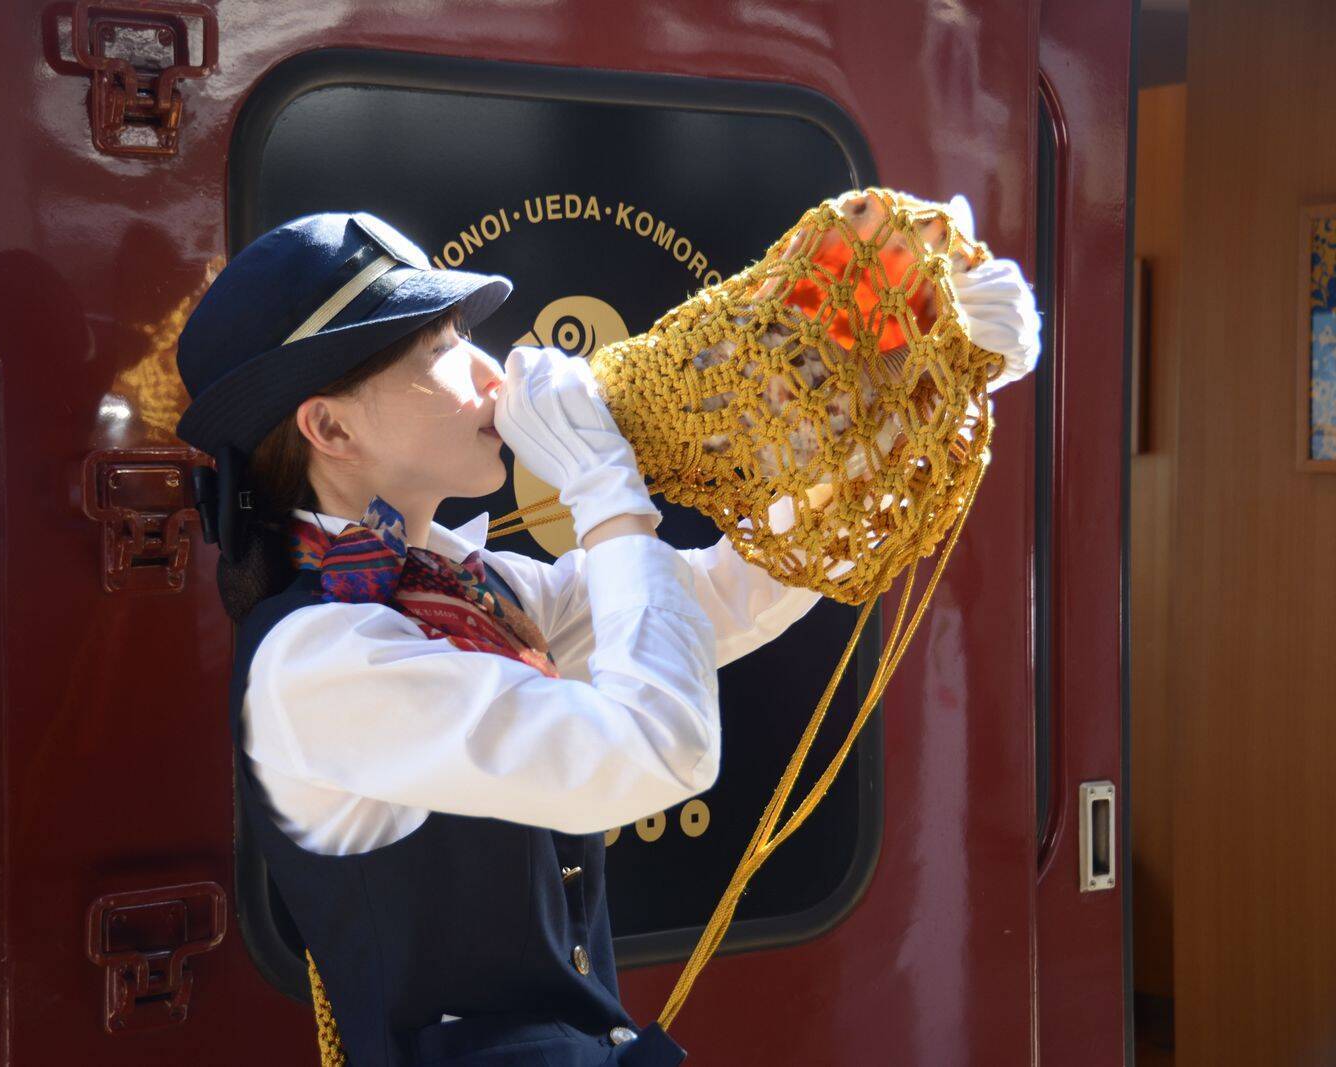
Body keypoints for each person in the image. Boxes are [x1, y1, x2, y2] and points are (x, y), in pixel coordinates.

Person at [173, 209, 1039, 1066]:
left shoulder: (466, 586)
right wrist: (603, 490)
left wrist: (928, 381)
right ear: (330, 428)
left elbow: (723, 595)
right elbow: (658, 748)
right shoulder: (318, 661)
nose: (491, 370)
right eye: (441, 351)